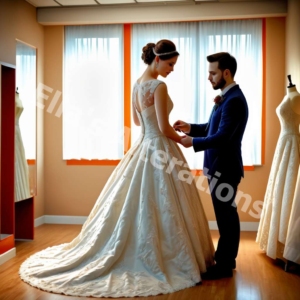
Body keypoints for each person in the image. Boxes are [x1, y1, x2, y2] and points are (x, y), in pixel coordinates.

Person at [19, 39, 215, 298]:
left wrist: (160, 126)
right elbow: (164, 128)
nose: (172, 69)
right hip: (160, 148)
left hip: (143, 145)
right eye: (170, 64)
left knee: (141, 203)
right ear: (157, 59)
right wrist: (186, 140)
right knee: (162, 204)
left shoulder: (137, 85)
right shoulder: (158, 85)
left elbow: (137, 121)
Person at [173, 52, 249, 279]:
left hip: (224, 168)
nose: (209, 77)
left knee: (227, 216)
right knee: (225, 215)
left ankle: (224, 265)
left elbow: (223, 136)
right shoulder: (227, 97)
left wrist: (193, 143)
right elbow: (211, 127)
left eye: (213, 73)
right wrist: (190, 128)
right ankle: (226, 261)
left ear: (226, 73)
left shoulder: (234, 100)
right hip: (218, 167)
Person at [256, 75, 300, 267]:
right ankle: (274, 240)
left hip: (291, 144)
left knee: (287, 191)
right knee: (278, 189)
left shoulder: (296, 98)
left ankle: (285, 243)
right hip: (284, 144)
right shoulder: (289, 95)